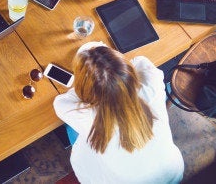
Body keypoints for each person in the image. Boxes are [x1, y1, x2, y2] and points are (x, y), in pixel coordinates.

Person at [53, 42, 184, 183]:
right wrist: (113, 73)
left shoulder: (87, 116)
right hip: (172, 172)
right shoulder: (151, 83)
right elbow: (140, 60)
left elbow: (60, 103)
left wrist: (84, 84)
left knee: (71, 129)